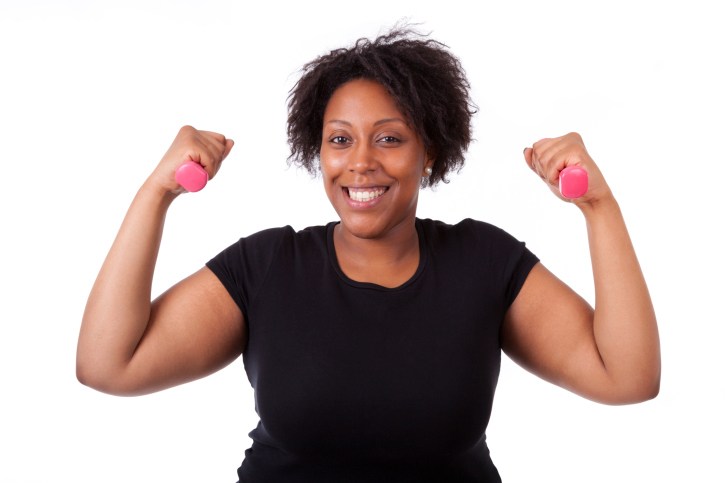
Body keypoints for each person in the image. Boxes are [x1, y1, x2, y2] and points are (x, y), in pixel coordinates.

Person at [76, 27, 660, 483]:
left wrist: (599, 207)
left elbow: (628, 377)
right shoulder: (267, 267)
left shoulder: (483, 261)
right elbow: (109, 365)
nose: (360, 162)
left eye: (389, 137)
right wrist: (157, 192)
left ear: (428, 151)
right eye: (339, 139)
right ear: (318, 151)